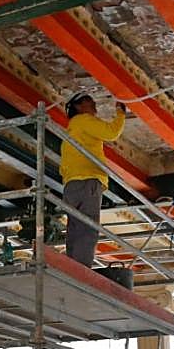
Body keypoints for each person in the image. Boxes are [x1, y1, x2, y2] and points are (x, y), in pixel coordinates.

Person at [60, 94, 126, 267]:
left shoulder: (73, 128)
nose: (94, 104)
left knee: (75, 228)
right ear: (78, 107)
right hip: (87, 179)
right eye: (89, 101)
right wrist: (121, 113)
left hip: (71, 183)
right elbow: (111, 133)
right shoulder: (83, 120)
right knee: (88, 228)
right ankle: (81, 268)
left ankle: (72, 266)